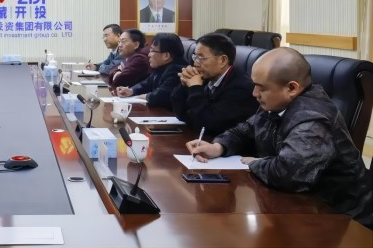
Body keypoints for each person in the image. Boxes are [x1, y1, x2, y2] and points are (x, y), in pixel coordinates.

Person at [187, 47, 372, 228]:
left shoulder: (313, 118)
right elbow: (245, 130)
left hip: (340, 219)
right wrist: (218, 147)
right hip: (299, 207)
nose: (254, 93)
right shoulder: (276, 103)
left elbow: (288, 174)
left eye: (261, 88)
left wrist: (255, 163)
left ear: (291, 88)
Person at [171, 33, 257, 135]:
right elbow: (181, 115)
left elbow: (206, 126)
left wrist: (195, 88)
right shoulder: (207, 77)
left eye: (201, 57)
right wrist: (184, 85)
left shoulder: (241, 89)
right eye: (195, 57)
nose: (195, 63)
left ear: (222, 60)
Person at [116, 33, 186, 110]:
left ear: (166, 55)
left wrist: (141, 97)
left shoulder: (177, 70)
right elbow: (146, 83)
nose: (149, 54)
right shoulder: (161, 67)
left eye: (152, 51)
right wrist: (131, 91)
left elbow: (160, 96)